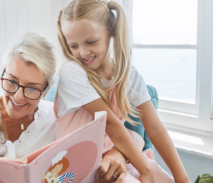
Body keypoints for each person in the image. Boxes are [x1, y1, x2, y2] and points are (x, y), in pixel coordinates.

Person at [56, 0, 190, 183]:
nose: (82, 52)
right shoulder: (71, 72)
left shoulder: (130, 77)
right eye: (74, 46)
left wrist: (183, 178)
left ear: (111, 31)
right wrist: (145, 171)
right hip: (81, 168)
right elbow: (110, 123)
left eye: (91, 42)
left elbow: (155, 128)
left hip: (119, 161)